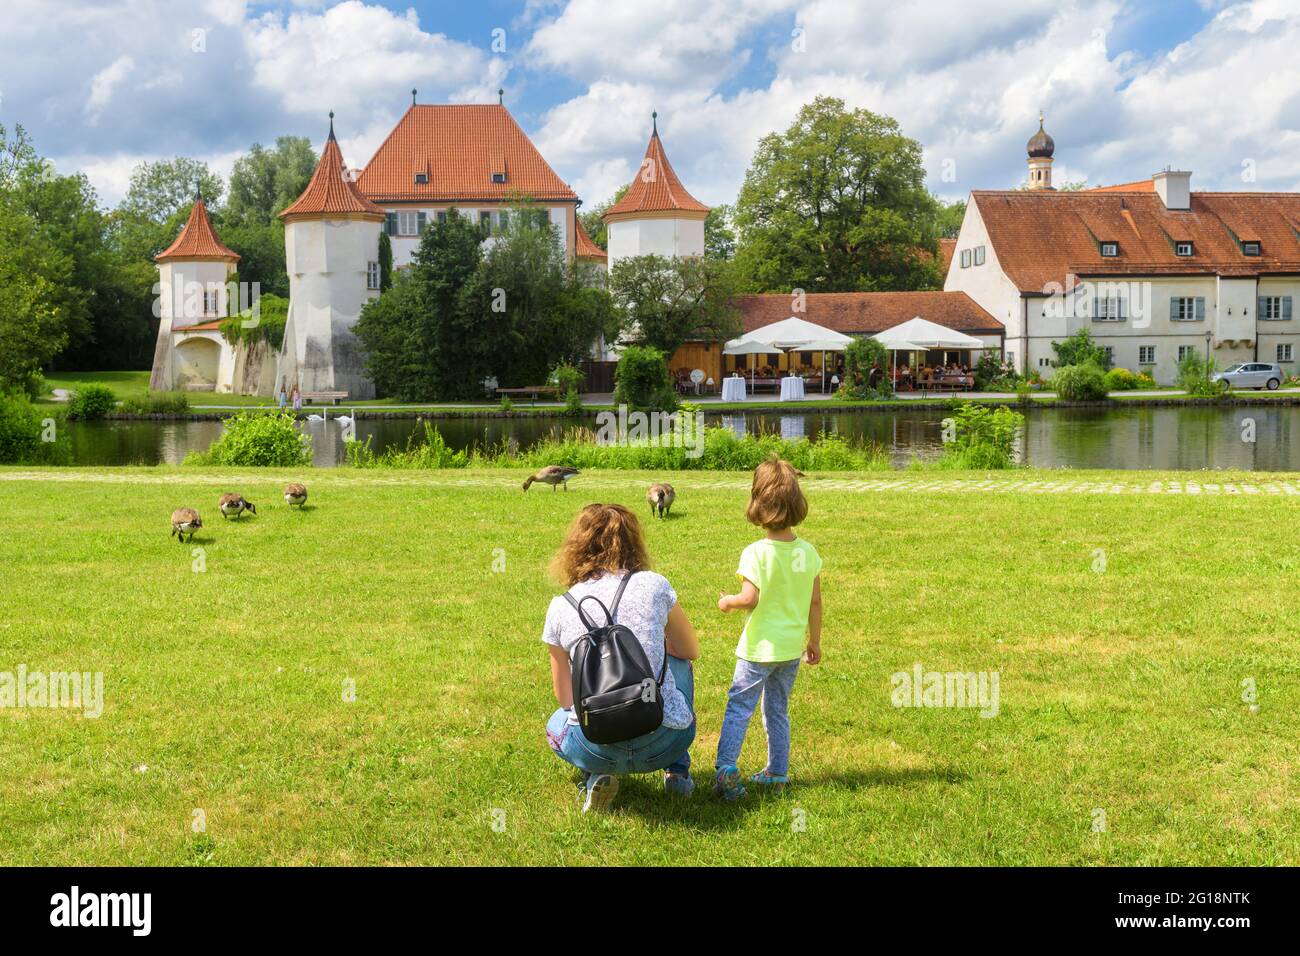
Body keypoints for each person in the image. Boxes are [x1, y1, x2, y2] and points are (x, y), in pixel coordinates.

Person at [542, 503, 701, 813]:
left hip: (594, 745)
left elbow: (564, 698)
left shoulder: (561, 606)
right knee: (680, 662)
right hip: (664, 740)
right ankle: (678, 773)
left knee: (556, 723)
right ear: (633, 541)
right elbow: (690, 650)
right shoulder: (655, 585)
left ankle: (595, 774)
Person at [715, 456, 823, 800]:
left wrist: (728, 602)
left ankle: (726, 770)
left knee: (739, 707)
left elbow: (750, 599)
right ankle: (778, 771)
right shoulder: (808, 553)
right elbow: (815, 603)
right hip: (790, 650)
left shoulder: (756, 553)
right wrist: (814, 641)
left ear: (757, 503)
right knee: (777, 708)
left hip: (759, 649)